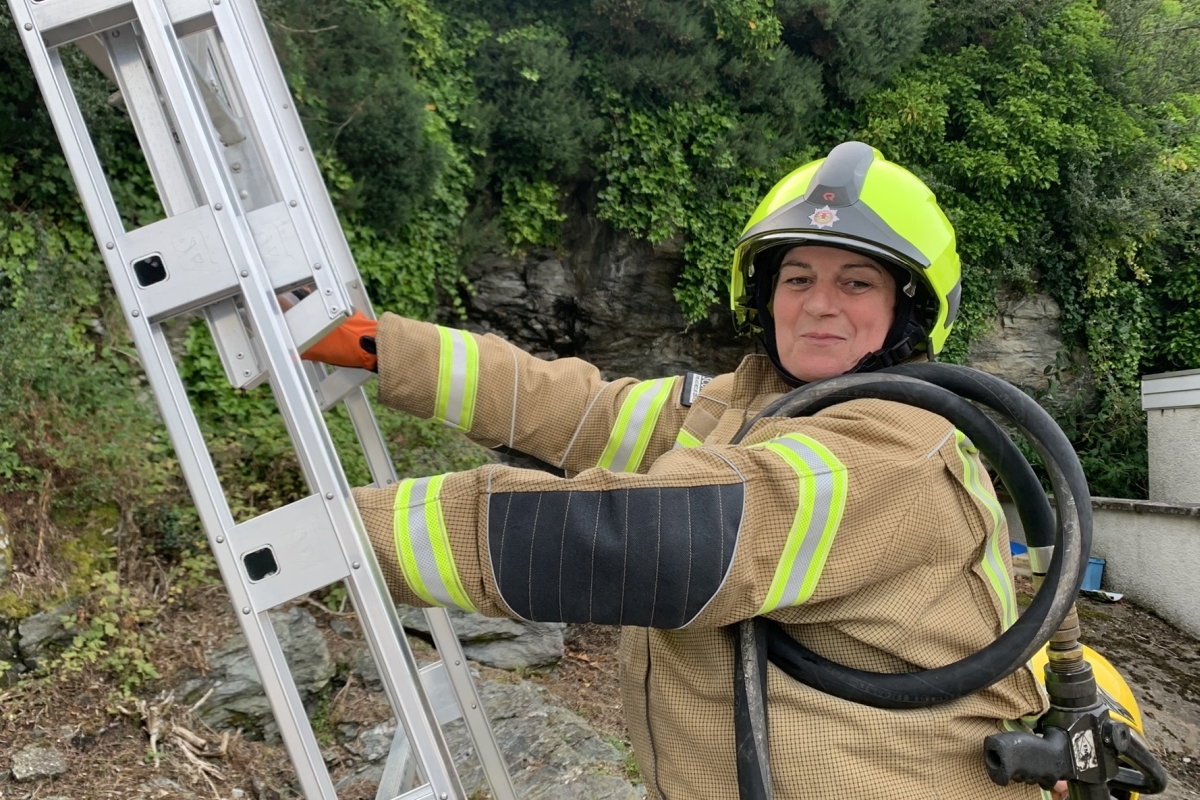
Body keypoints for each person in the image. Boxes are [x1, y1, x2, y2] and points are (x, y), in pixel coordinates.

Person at [302, 141, 1051, 799]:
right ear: (763, 296)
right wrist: (376, 348)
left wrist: (343, 536)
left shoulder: (891, 449)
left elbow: (663, 543)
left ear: (909, 311)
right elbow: (578, 409)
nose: (820, 305)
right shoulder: (753, 405)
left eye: (856, 282)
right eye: (797, 277)